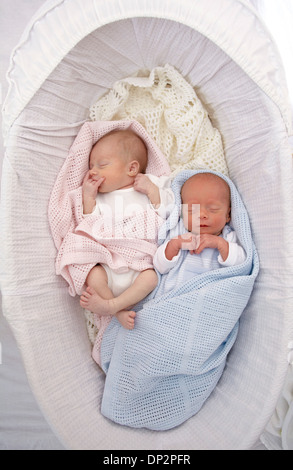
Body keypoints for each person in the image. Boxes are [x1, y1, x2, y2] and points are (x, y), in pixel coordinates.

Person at [79, 128, 174, 329]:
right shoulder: (100, 197)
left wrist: (152, 190)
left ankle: (113, 306)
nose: (93, 171)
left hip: (139, 264)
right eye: (91, 166)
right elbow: (90, 223)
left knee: (151, 278)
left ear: (131, 169)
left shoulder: (150, 184)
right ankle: (118, 311)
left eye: (102, 165)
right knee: (92, 274)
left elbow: (168, 211)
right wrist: (88, 197)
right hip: (110, 262)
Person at [153, 172, 246, 279]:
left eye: (213, 209)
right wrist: (175, 245)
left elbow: (241, 264)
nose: (202, 215)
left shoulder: (228, 237)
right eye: (192, 210)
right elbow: (160, 267)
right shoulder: (177, 233)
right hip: (179, 291)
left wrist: (220, 244)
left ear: (228, 215)